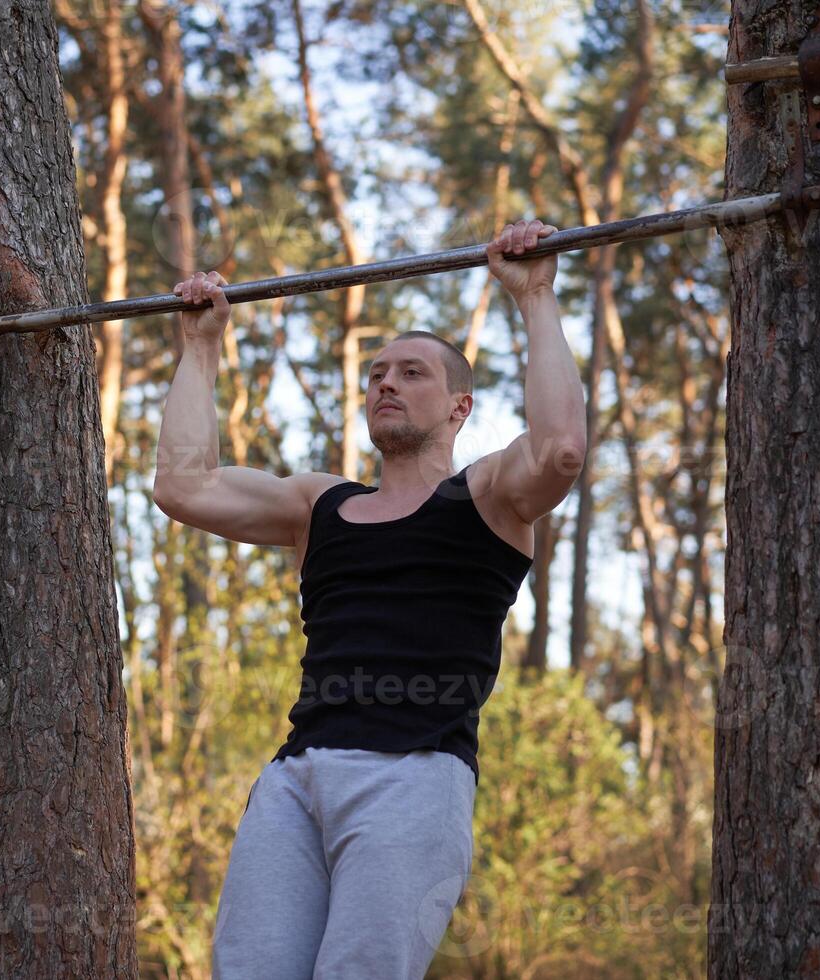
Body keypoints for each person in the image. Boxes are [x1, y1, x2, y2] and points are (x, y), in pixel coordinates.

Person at [152, 218, 586, 979]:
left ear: (459, 407)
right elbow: (184, 487)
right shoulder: (319, 504)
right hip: (295, 777)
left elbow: (561, 451)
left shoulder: (486, 497)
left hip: (414, 778)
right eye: (378, 371)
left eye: (413, 372)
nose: (386, 380)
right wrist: (201, 347)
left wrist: (537, 297)